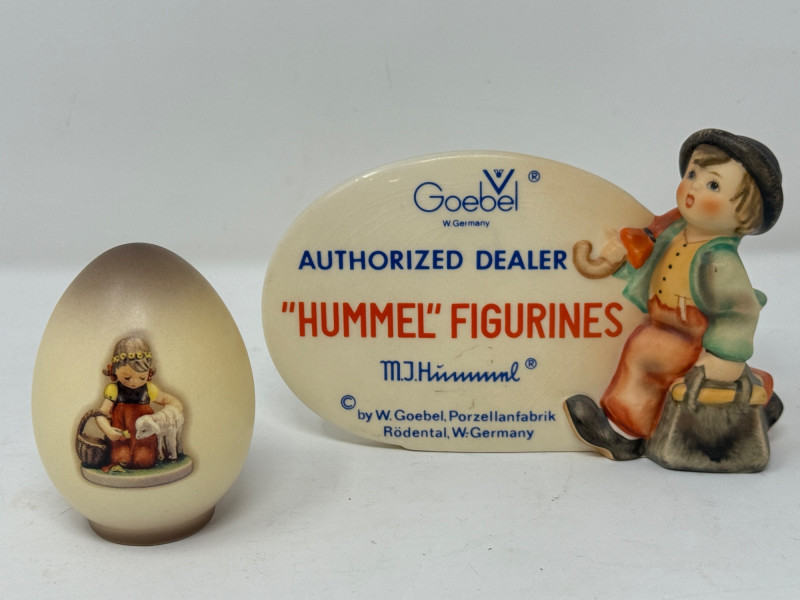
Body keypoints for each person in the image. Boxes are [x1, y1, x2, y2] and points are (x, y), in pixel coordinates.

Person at [565, 129, 783, 460]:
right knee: (648, 346)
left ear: (745, 217)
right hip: (666, 321)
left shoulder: (719, 261)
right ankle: (764, 399)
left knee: (643, 353)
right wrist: (620, 255)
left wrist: (724, 359)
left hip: (692, 336)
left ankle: (625, 432)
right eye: (692, 175)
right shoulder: (676, 230)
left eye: (713, 185)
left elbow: (740, 312)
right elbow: (648, 254)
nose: (694, 186)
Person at [95, 336, 161, 469]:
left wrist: (174, 407)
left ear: (148, 373)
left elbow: (170, 401)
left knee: (144, 460)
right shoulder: (114, 389)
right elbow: (101, 414)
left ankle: (144, 451)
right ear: (114, 370)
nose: (134, 382)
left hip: (144, 438)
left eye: (141, 377)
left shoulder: (149, 389)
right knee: (121, 459)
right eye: (127, 377)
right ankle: (122, 452)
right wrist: (109, 431)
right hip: (121, 438)